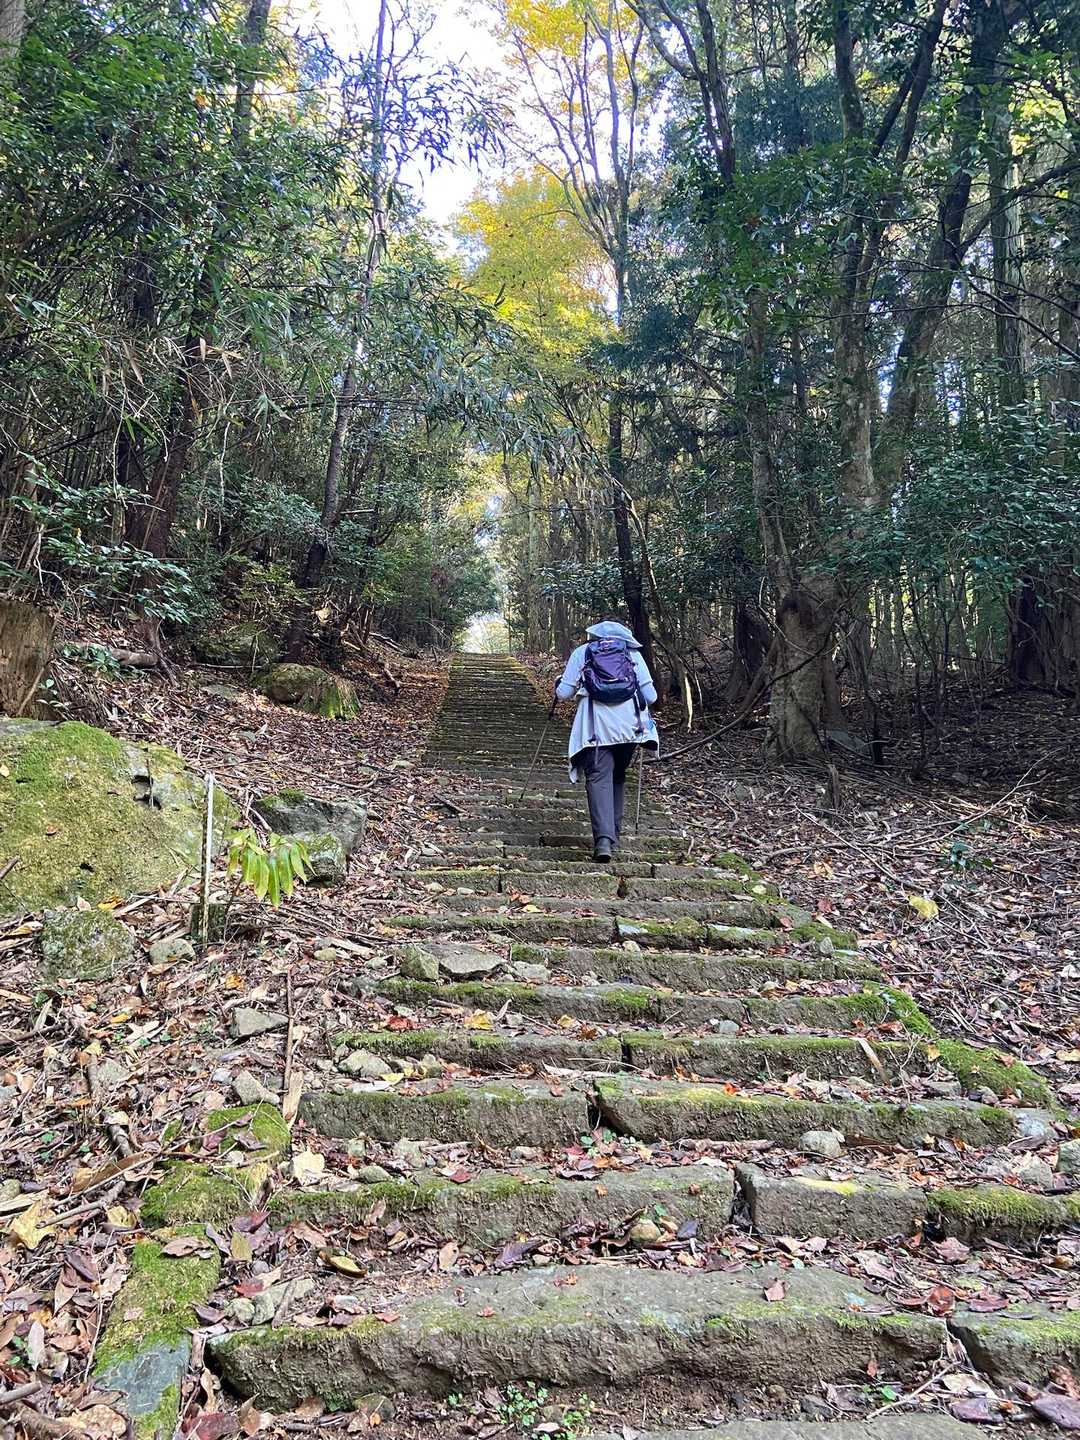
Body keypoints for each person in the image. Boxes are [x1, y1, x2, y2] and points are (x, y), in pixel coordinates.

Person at [554, 619, 659, 863]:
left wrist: (559, 682)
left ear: (595, 636)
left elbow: (564, 693)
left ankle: (603, 840)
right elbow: (651, 696)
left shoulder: (583, 652)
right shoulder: (632, 655)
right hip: (629, 728)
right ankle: (614, 836)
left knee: (599, 776)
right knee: (618, 775)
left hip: (595, 728)